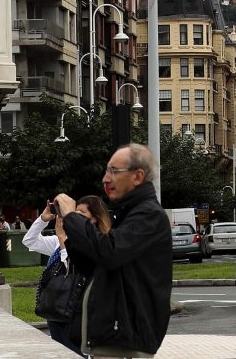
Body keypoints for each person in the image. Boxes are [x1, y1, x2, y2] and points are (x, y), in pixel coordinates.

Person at [55, 143, 173, 357]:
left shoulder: (148, 215)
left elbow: (109, 252)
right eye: (106, 170)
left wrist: (73, 217)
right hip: (116, 338)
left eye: (114, 171)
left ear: (137, 177)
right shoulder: (129, 213)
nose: (105, 179)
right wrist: (70, 234)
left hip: (127, 340)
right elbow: (93, 266)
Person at [27, 195, 113, 354]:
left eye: (81, 213)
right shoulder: (63, 239)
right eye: (75, 212)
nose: (74, 216)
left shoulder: (97, 242)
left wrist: (62, 240)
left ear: (95, 218)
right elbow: (30, 241)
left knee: (75, 351)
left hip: (76, 310)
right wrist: (43, 219)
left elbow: (73, 270)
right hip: (56, 307)